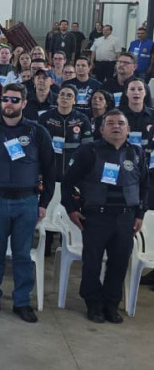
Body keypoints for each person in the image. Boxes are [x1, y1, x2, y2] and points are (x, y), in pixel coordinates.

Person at [0, 83, 55, 323]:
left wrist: (44, 203)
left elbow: (50, 171)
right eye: (6, 99)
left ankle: (22, 301)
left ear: (24, 103)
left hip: (26, 202)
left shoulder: (38, 132)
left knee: (22, 255)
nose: (9, 103)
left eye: (15, 100)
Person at [62, 110, 145, 324]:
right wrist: (71, 209)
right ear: (102, 129)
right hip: (96, 217)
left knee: (119, 264)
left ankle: (111, 304)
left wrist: (140, 214)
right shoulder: (88, 151)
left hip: (125, 218)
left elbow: (144, 185)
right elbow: (68, 182)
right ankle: (93, 303)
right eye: (110, 123)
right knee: (92, 263)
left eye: (121, 123)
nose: (116, 126)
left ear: (128, 129)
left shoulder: (136, 152)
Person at [36, 84, 93, 182]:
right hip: (49, 168)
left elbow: (88, 148)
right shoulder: (45, 117)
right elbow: (37, 146)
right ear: (57, 98)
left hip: (73, 169)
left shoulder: (82, 119)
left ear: (74, 100)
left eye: (69, 95)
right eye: (62, 94)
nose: (64, 97)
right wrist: (39, 170)